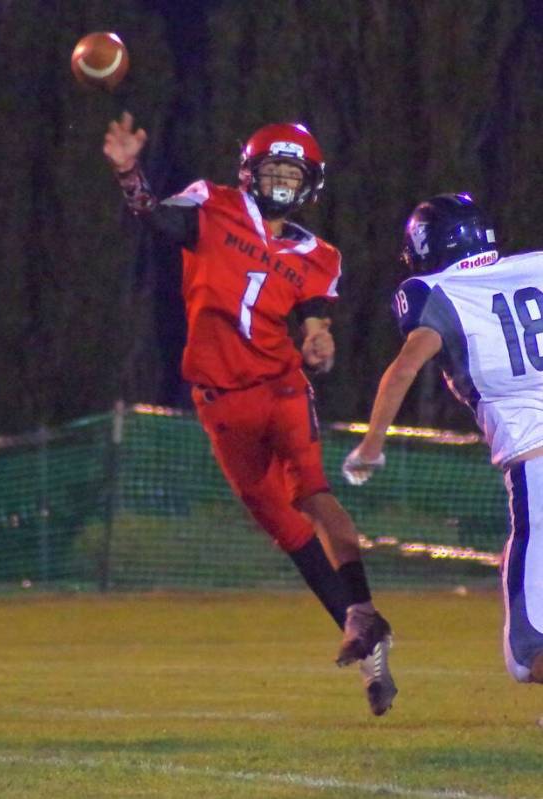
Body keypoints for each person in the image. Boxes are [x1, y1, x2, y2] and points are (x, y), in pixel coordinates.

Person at [103, 113, 396, 715]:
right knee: (288, 532)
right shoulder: (213, 205)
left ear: (309, 181)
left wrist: (320, 342)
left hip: (281, 387)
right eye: (275, 168)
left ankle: (361, 614)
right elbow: (153, 216)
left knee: (312, 491)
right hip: (219, 400)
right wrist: (130, 173)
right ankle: (371, 644)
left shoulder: (319, 254)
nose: (284, 179)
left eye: (294, 171)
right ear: (251, 173)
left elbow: (316, 321)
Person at [344, 193, 543, 689]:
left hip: (536, 466)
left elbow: (404, 367)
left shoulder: (440, 291)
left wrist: (371, 445)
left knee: (528, 650)